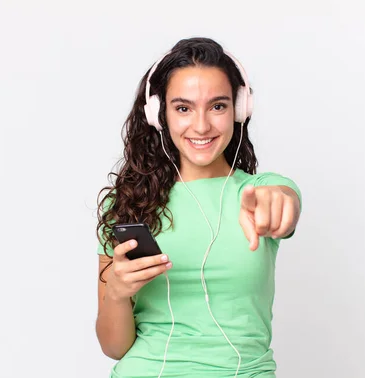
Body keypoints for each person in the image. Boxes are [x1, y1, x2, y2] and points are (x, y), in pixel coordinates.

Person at [95, 37, 302, 378]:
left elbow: (284, 201)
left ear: (239, 110)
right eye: (183, 108)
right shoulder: (129, 204)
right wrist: (117, 293)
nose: (202, 125)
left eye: (218, 106)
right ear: (158, 113)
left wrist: (281, 202)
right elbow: (114, 348)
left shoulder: (260, 191)